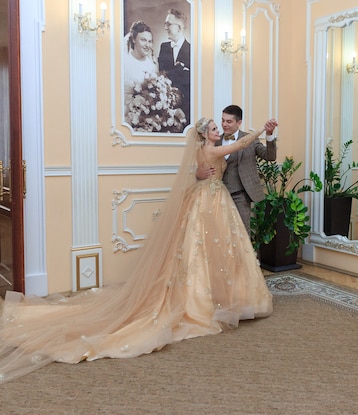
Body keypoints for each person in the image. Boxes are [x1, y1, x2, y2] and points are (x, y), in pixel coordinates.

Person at [0, 117, 275, 383]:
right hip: (211, 201)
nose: (219, 129)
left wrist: (208, 167)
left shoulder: (201, 149)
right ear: (206, 134)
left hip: (210, 198)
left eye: (221, 125)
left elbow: (213, 163)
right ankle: (206, 302)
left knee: (204, 252)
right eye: (215, 127)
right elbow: (235, 148)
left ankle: (219, 297)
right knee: (207, 252)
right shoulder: (213, 147)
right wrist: (262, 128)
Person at [196, 105, 278, 236]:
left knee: (241, 234)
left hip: (241, 194)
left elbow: (270, 156)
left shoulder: (250, 139)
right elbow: (203, 166)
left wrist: (269, 135)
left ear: (239, 122)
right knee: (219, 234)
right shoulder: (214, 140)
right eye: (222, 120)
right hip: (216, 195)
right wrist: (199, 173)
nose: (224, 125)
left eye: (229, 121)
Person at [157, 8, 191, 124]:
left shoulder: (192, 50)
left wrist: (184, 110)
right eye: (165, 24)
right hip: (165, 109)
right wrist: (179, 69)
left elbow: (193, 86)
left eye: (169, 24)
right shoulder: (164, 47)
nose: (165, 27)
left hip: (186, 110)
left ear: (180, 28)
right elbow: (162, 75)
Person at [123, 21, 157, 111]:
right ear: (133, 40)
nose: (147, 45)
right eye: (143, 40)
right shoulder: (124, 62)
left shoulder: (151, 66)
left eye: (150, 41)